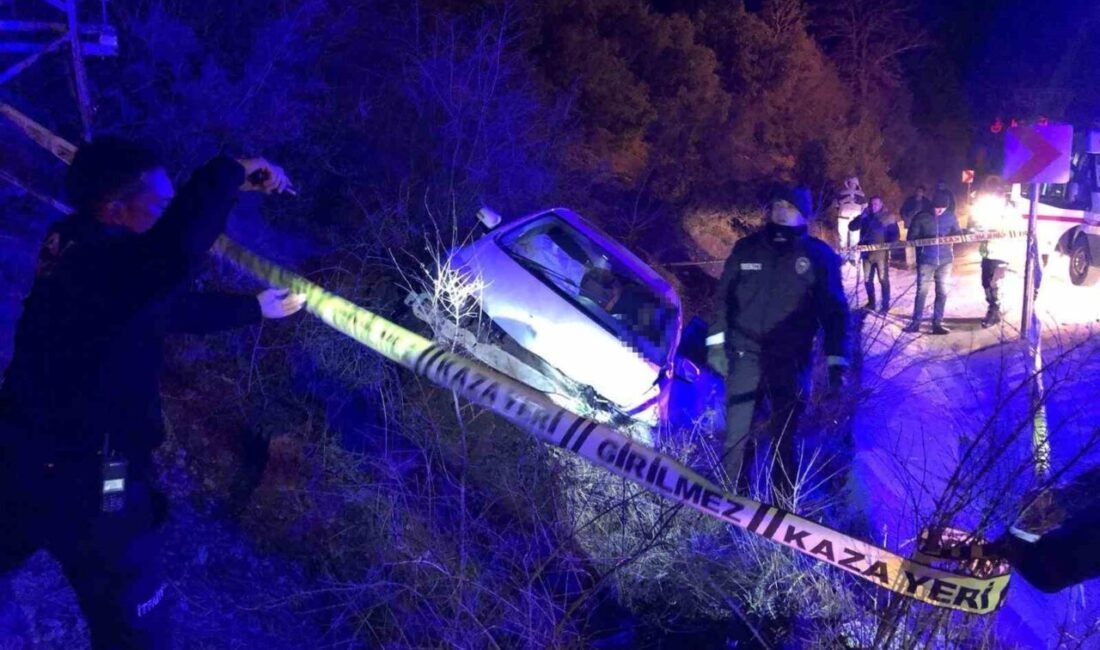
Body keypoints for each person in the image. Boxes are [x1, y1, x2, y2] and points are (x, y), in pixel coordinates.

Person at [0, 136, 304, 649]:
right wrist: (232, 168)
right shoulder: (107, 262)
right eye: (159, 204)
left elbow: (163, 307)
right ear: (114, 209)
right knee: (132, 618)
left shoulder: (74, 243)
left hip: (21, 448)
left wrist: (255, 308)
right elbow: (176, 250)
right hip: (94, 473)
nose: (167, 214)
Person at [706, 186, 850, 493]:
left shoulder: (819, 257)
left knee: (785, 436)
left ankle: (781, 508)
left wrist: (838, 362)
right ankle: (732, 498)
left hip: (791, 361)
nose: (781, 208)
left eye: (789, 204)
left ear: (804, 214)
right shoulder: (747, 248)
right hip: (745, 355)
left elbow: (835, 314)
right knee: (738, 432)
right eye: (777, 203)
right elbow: (723, 299)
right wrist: (715, 343)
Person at [903, 191, 961, 335]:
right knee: (922, 291)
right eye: (937, 208)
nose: (940, 210)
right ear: (932, 205)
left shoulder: (950, 216)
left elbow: (958, 234)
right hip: (926, 260)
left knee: (942, 292)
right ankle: (916, 322)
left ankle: (937, 323)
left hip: (945, 260)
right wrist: (927, 239)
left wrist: (953, 236)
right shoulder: (921, 217)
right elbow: (911, 238)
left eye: (943, 208)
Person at [848, 196, 900, 313]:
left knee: (883, 279)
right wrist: (861, 217)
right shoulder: (865, 217)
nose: (873, 206)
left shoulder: (888, 217)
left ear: (881, 204)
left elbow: (895, 235)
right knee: (867, 280)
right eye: (871, 204)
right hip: (866, 254)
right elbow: (851, 227)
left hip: (881, 254)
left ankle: (885, 306)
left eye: (876, 204)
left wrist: (890, 244)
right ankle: (871, 303)